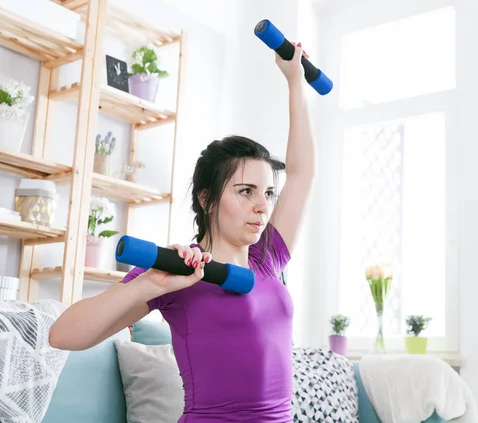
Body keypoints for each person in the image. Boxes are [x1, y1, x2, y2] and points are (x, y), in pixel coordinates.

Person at [49, 42, 316, 423]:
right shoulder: (177, 272)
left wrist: (295, 81)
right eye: (245, 191)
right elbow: (62, 336)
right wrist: (148, 286)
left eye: (268, 193)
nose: (262, 205)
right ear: (207, 199)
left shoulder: (268, 258)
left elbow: (303, 173)